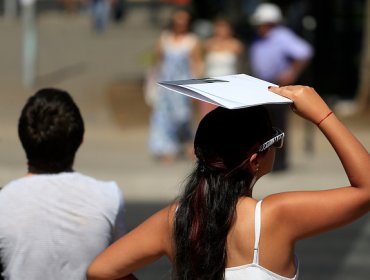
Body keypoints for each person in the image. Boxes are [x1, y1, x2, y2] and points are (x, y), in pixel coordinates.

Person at [86, 85, 370, 280]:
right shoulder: (274, 217)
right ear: (255, 160)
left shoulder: (176, 219)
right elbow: (366, 189)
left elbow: (100, 271)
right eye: (275, 140)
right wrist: (323, 114)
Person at [0, 88, 127, 280]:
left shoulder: (4, 201)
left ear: (23, 139)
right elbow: (120, 268)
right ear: (80, 139)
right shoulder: (109, 196)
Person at [249, 3, 313, 171]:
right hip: (262, 85)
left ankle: (279, 162)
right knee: (262, 125)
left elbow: (304, 52)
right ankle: (265, 160)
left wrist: (291, 72)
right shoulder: (258, 38)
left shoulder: (282, 36)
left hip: (277, 86)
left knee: (278, 126)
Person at [148, 8, 203, 163]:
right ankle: (166, 148)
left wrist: (196, 87)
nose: (180, 24)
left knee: (182, 117)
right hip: (165, 85)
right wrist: (152, 83)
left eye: (184, 21)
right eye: (178, 20)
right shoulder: (165, 38)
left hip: (183, 85)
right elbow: (157, 62)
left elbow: (196, 64)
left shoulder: (192, 40)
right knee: (163, 118)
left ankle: (187, 145)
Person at [199, 17, 245, 118]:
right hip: (209, 86)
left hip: (229, 87)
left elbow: (242, 67)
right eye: (219, 27)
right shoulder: (208, 44)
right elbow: (202, 65)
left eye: (224, 27)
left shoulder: (236, 45)